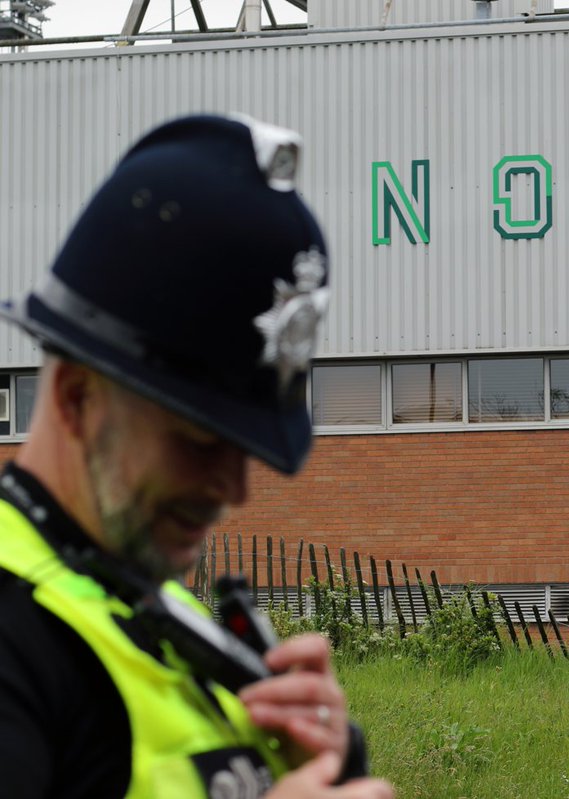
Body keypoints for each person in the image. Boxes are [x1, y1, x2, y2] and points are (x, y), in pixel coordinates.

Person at [0, 114, 394, 799]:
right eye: (201, 438)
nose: (233, 488)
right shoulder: (16, 638)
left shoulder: (144, 602)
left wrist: (326, 757)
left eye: (245, 445)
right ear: (75, 396)